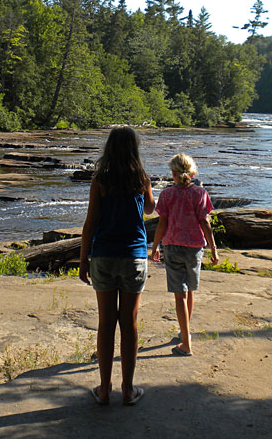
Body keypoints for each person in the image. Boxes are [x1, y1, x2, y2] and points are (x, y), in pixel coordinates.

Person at [79, 126, 155, 406]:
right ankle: (128, 389)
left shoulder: (100, 179)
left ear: (109, 148)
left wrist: (82, 259)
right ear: (134, 149)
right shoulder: (141, 178)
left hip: (103, 256)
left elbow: (91, 223)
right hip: (133, 256)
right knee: (129, 324)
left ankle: (103, 389)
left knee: (106, 323)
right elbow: (150, 209)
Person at [150, 153, 218, 356]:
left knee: (179, 295)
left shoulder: (167, 194)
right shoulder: (200, 193)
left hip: (172, 245)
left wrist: (154, 247)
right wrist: (214, 248)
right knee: (189, 291)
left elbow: (162, 223)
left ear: (173, 173)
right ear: (192, 172)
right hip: (195, 247)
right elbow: (205, 222)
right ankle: (184, 332)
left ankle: (186, 343)